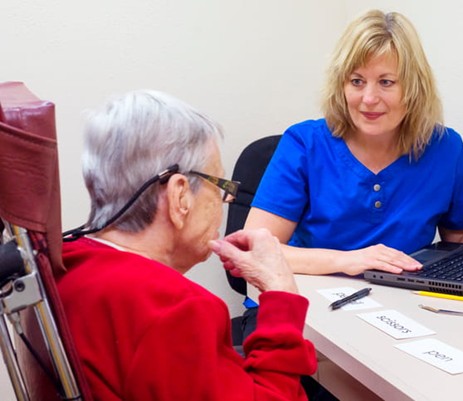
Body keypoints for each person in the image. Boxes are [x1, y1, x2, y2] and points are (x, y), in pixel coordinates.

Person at [57, 90, 317, 400]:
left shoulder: (66, 262)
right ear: (180, 195)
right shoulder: (174, 311)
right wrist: (281, 293)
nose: (227, 199)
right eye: (220, 185)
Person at [244, 9, 463, 276]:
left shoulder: (445, 148)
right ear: (341, 85)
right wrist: (348, 261)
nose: (369, 98)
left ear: (415, 87)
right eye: (357, 81)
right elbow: (256, 250)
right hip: (309, 302)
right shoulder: (304, 144)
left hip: (400, 304)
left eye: (386, 82)